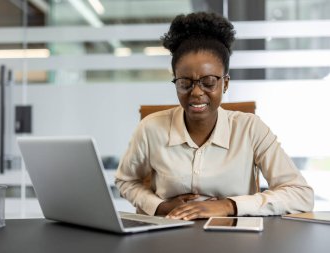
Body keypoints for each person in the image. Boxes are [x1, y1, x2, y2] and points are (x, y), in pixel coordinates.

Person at [115, 12, 314, 220]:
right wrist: (159, 206)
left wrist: (229, 206)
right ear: (175, 82)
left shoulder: (251, 129)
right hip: (171, 233)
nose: (197, 92)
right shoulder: (151, 128)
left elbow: (300, 194)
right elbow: (125, 181)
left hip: (235, 238)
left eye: (208, 82)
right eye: (185, 83)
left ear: (225, 83)